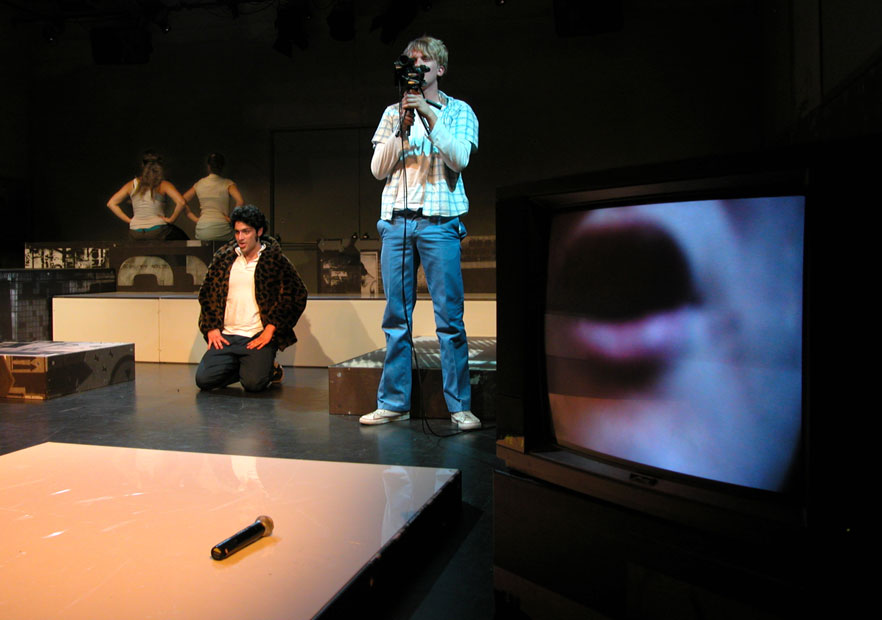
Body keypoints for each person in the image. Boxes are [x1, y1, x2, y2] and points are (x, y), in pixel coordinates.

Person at [359, 36, 480, 430]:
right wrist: (402, 128)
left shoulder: (459, 111)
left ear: (439, 68)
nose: (418, 65)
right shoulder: (393, 113)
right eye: (412, 60)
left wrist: (429, 113)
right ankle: (394, 402)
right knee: (397, 317)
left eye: (425, 59)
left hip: (440, 223)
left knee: (449, 319)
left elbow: (459, 159)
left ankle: (459, 405)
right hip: (397, 222)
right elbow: (378, 169)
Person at [195, 205, 308, 392]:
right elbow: (207, 293)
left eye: (246, 232)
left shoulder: (274, 260)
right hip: (227, 336)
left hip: (256, 335)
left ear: (259, 231)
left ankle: (269, 369)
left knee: (253, 384)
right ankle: (247, 366)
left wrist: (270, 330)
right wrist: (211, 327)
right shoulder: (224, 258)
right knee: (204, 380)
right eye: (237, 232)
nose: (240, 237)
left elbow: (297, 295)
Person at [107, 151, 188, 240]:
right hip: (157, 231)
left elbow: (111, 203)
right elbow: (181, 202)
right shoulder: (163, 184)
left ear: (143, 166)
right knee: (182, 237)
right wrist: (171, 220)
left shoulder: (131, 184)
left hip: (135, 232)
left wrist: (130, 221)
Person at [183, 153, 245, 242]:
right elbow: (240, 201)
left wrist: (193, 218)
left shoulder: (199, 184)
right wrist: (232, 219)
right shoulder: (228, 183)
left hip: (203, 229)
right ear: (222, 167)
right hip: (222, 228)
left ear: (208, 166)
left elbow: (182, 201)